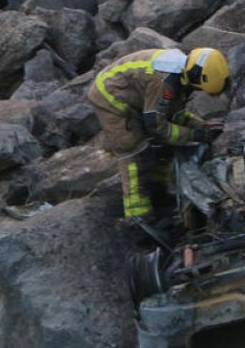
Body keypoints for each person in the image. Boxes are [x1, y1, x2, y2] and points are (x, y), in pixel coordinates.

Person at [87, 47, 230, 228]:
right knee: (133, 151)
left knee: (162, 147)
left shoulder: (182, 72)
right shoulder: (163, 81)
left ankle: (161, 194)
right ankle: (138, 218)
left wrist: (200, 125)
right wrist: (195, 135)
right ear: (193, 78)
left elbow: (172, 113)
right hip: (110, 97)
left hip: (133, 93)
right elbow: (157, 127)